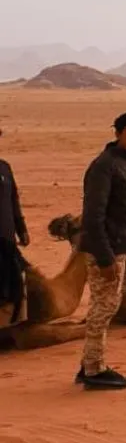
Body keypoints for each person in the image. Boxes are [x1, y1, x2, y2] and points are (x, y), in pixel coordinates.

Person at [77, 111, 126, 390]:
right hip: (104, 250)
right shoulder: (105, 166)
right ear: (118, 134)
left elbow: (121, 214)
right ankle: (94, 371)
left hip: (117, 245)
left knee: (106, 306)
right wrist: (106, 257)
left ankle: (88, 362)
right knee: (103, 308)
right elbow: (93, 217)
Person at [0, 126, 29, 325]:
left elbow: (13, 200)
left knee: (15, 285)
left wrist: (22, 229)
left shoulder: (4, 167)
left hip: (6, 238)